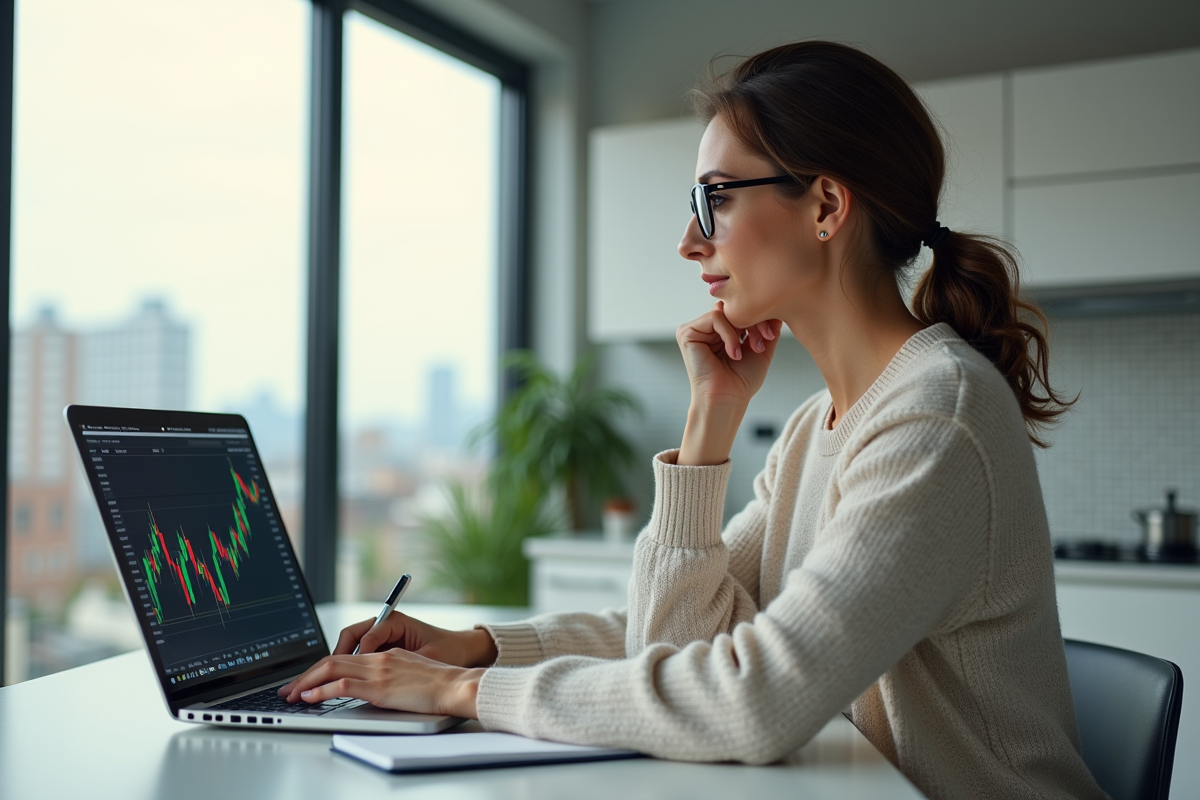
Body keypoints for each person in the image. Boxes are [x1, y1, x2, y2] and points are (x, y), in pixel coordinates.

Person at [281, 41, 1107, 799]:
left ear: (825, 205)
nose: (688, 240)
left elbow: (755, 700)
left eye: (715, 198)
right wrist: (482, 646)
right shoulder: (817, 426)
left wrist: (464, 692)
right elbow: (675, 641)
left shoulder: (935, 417)